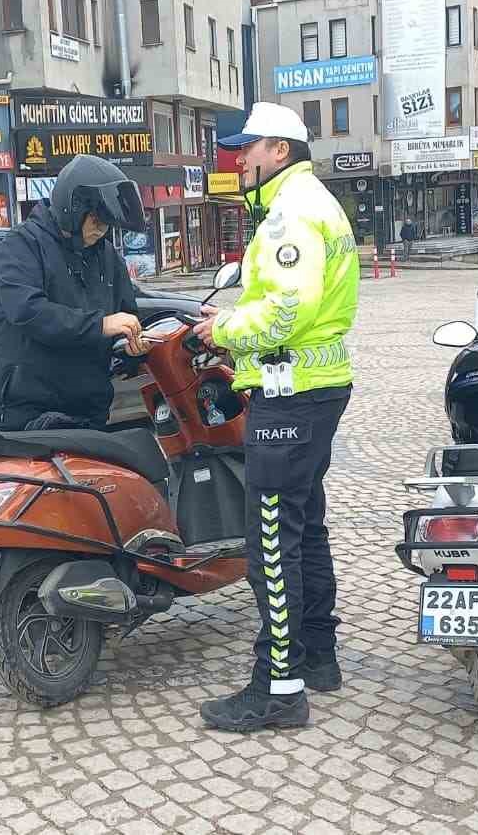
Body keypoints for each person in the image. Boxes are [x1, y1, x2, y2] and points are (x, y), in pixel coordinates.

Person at [192, 102, 360, 731]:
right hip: (318, 386)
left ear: (279, 150)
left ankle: (279, 687)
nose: (238, 160)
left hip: (290, 389)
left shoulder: (291, 214)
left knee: (271, 535)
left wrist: (224, 330)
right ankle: (319, 656)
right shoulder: (313, 203)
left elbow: (287, 308)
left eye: (248, 149)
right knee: (304, 522)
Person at [0, 154, 149, 432]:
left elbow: (126, 314)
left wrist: (134, 347)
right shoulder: (22, 245)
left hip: (88, 409)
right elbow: (29, 312)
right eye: (97, 220)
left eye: (108, 223)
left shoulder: (107, 256)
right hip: (27, 410)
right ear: (72, 208)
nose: (102, 229)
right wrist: (100, 324)